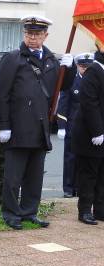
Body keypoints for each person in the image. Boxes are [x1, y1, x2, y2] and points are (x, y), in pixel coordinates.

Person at [0, 15, 73, 229]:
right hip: (18, 126)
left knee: (34, 176)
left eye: (37, 34)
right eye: (29, 33)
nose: (32, 38)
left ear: (45, 36)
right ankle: (11, 214)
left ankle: (29, 211)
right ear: (24, 34)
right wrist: (4, 125)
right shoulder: (13, 58)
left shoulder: (50, 60)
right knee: (13, 177)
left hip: (40, 127)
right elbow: (1, 94)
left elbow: (63, 87)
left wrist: (71, 67)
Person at [71, 46, 104, 225]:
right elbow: (89, 103)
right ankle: (84, 211)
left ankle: (100, 210)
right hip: (90, 134)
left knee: (102, 175)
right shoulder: (94, 71)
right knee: (88, 175)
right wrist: (98, 131)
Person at [57, 53, 93, 198]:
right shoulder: (71, 79)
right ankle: (68, 187)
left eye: (87, 66)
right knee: (70, 158)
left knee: (85, 159)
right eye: (82, 66)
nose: (84, 69)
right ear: (77, 66)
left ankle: (81, 187)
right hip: (72, 125)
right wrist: (61, 126)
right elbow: (63, 103)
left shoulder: (94, 80)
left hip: (89, 127)